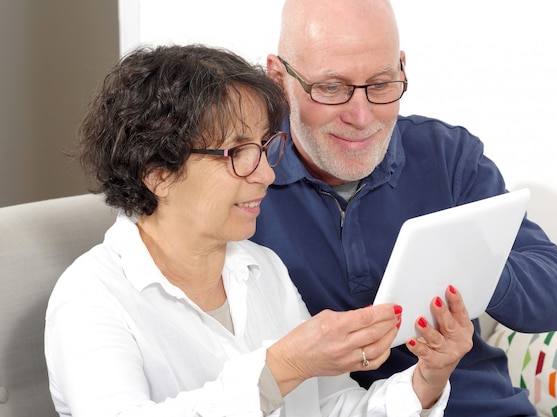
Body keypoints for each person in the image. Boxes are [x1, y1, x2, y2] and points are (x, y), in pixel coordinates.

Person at [44, 44, 474, 417]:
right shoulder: (90, 297)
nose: (267, 174)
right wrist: (283, 366)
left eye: (266, 147)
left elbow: (331, 407)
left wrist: (428, 379)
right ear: (156, 173)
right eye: (237, 153)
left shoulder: (261, 267)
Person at [250, 0, 557, 416]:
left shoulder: (449, 157)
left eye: (381, 84)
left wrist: (470, 268)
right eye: (331, 88)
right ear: (279, 78)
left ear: (402, 69)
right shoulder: (245, 175)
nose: (361, 115)